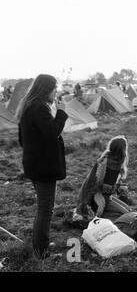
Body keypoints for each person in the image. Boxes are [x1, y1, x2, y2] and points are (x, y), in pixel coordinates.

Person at [17, 74, 68, 259]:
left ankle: (41, 243)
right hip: (43, 167)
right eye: (54, 89)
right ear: (46, 89)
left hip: (34, 165)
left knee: (44, 208)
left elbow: (22, 139)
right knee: (45, 209)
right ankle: (41, 252)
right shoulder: (39, 108)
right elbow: (52, 132)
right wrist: (61, 113)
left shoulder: (30, 107)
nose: (56, 92)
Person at [75, 135, 132, 221]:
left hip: (107, 196)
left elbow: (113, 183)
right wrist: (86, 203)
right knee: (123, 213)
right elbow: (92, 184)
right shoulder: (103, 163)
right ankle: (97, 221)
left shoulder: (119, 164)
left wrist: (119, 188)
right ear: (122, 151)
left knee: (128, 209)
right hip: (97, 195)